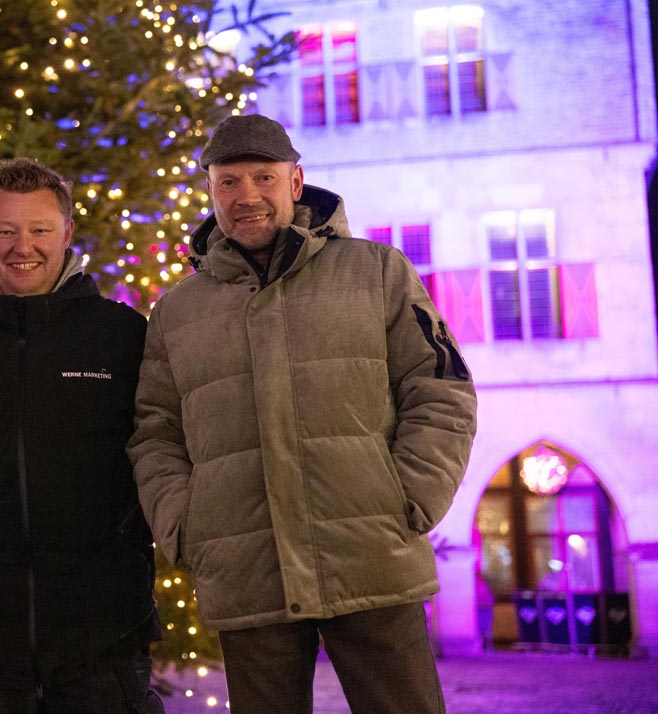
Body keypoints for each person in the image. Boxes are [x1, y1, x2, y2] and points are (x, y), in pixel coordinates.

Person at [127, 114, 476, 714]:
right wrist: (189, 528)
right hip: (246, 568)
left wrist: (408, 497)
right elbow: (155, 431)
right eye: (228, 182)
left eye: (264, 177)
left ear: (295, 182)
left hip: (372, 557)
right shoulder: (177, 312)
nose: (247, 196)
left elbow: (440, 387)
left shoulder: (378, 272)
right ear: (210, 191)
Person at [0, 157, 162, 713]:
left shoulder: (122, 336)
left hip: (101, 643)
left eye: (38, 230)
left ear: (68, 233)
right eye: (4, 231)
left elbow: (162, 451)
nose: (21, 246)